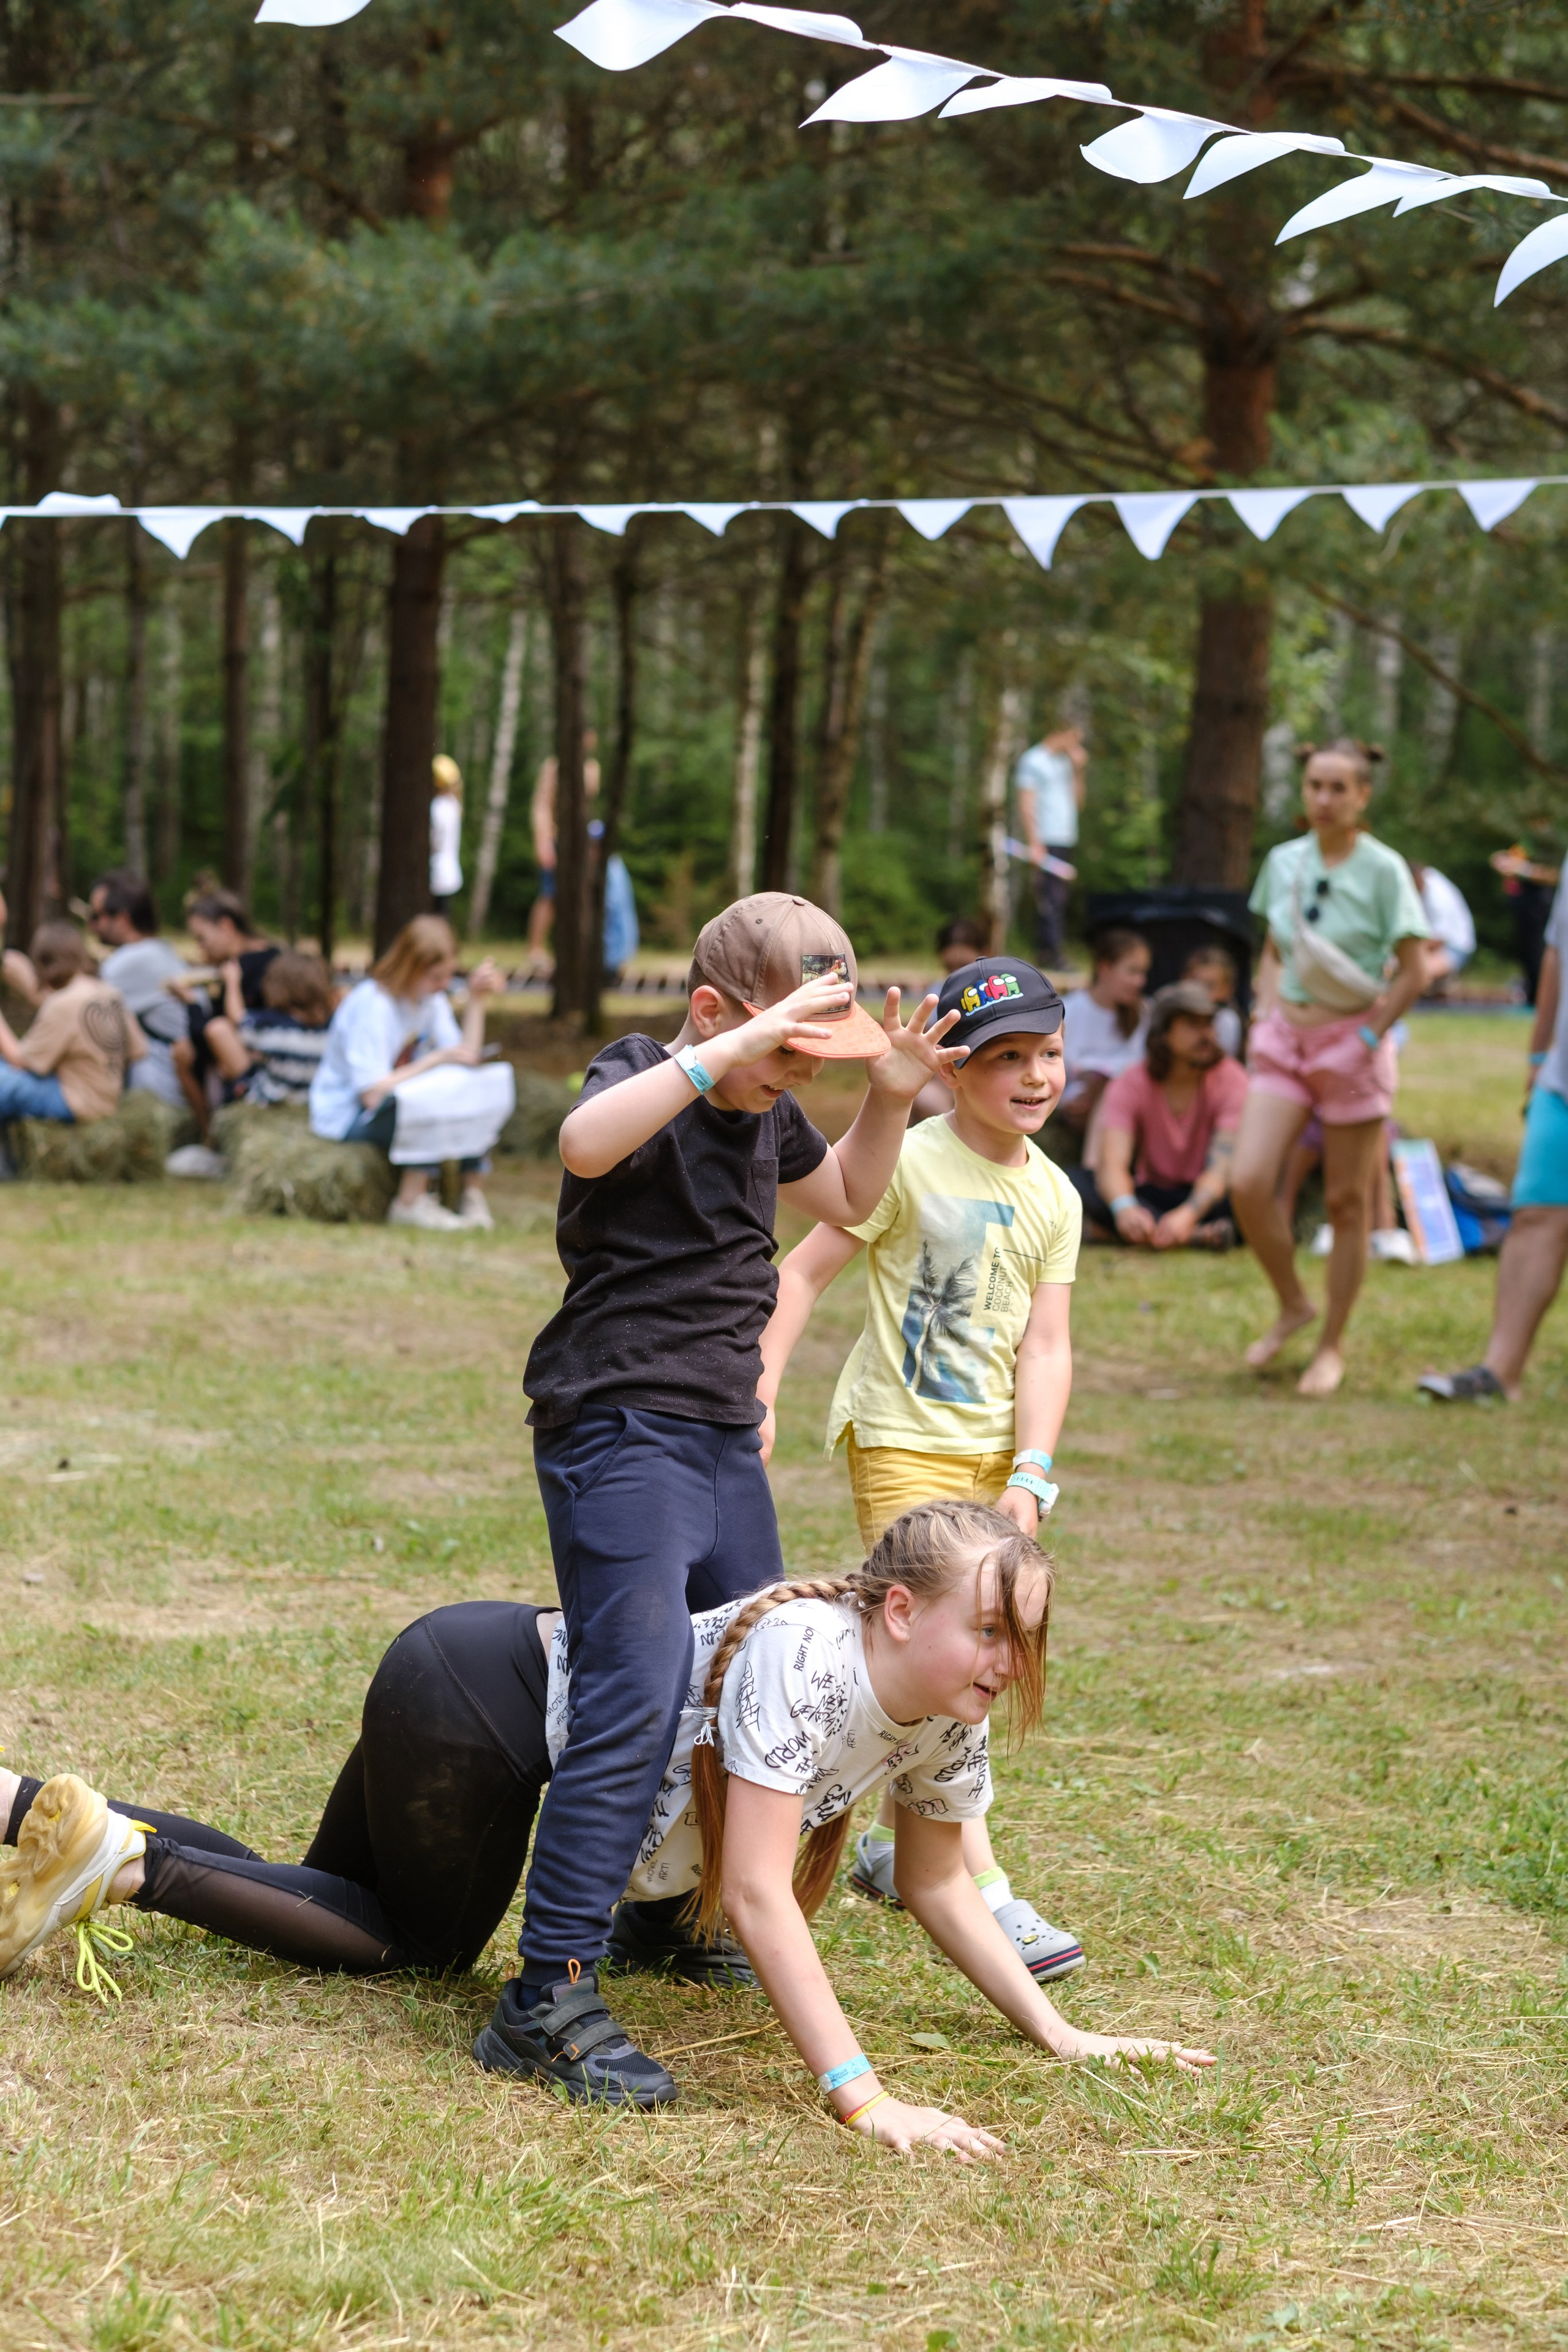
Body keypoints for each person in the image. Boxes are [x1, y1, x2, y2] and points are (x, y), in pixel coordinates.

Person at [0, 1501, 1213, 2141]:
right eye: (992, 1630)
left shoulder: (948, 1706)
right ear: (898, 1610)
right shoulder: (812, 1657)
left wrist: (1058, 2033)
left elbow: (944, 1885)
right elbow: (750, 1893)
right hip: (476, 1699)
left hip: (461, 1676)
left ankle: (26, 1813)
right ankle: (124, 1866)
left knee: (321, 1901)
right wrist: (862, 2093)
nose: (1010, 1660)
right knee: (406, 1951)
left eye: (1026, 1638)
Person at [510, 891, 965, 2089]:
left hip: (715, 1435)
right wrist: (722, 1054)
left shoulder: (772, 1113)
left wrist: (888, 1091)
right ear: (716, 1014)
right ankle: (542, 1994)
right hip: (617, 1424)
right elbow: (582, 1144)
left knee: (751, 1670)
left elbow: (851, 1203)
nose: (790, 1081)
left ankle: (663, 1916)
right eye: (784, 1050)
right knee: (640, 1681)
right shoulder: (647, 1073)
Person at [758, 957, 1084, 1985]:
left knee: (977, 1657)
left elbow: (1047, 1346)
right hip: (899, 1437)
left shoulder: (1057, 1196)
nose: (1034, 1077)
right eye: (1005, 1059)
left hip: (993, 1456)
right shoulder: (906, 1160)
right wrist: (757, 1388)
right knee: (949, 1646)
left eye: (1049, 1055)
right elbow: (802, 1272)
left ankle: (910, 1853)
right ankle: (983, 1895)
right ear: (951, 1067)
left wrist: (1031, 1471)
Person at [1231, 739, 1430, 1398]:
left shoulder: (1383, 870)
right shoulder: (1282, 862)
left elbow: (1415, 968)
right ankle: (1292, 1301)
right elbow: (1273, 950)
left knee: (1348, 1202)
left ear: (1361, 796)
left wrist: (1369, 1037)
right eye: (1314, 785)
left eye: (1337, 788)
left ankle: (1331, 1345)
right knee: (1249, 1181)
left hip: (1353, 1045)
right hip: (1285, 1040)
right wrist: (1263, 1012)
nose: (1322, 799)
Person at [1418, 883, 1568, 1401]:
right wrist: (1538, 1055)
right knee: (1535, 1215)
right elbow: (1557, 952)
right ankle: (1500, 1372)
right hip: (1562, 1080)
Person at [309, 916, 504, 1232]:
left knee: (479, 1087)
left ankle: (471, 1194)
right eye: (435, 977)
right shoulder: (374, 1007)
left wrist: (476, 1000)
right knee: (430, 1100)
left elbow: (464, 1057)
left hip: (394, 1102)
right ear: (410, 967)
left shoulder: (429, 999)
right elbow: (372, 1094)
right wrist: (436, 1061)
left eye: (448, 976)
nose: (444, 985)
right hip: (349, 1117)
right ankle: (410, 1202)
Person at [1069, 982, 1246, 1249]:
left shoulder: (1233, 1079)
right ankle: (1193, 1236)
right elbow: (1112, 1162)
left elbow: (1221, 1169)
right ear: (1163, 1033)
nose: (1206, 1034)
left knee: (1248, 1195)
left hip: (1206, 1198)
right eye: (1192, 1024)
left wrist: (1188, 1215)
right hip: (1149, 1194)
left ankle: (1155, 1231)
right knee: (1073, 1184)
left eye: (1209, 1023)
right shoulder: (1131, 1081)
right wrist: (1126, 1210)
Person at [0, 921, 143, 1128]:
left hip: (78, 1102)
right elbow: (138, 1050)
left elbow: (22, 1061)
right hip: (109, 1098)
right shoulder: (109, 993)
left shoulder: (64, 1003)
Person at [172, 891, 279, 1135]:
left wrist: (190, 1003)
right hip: (257, 1052)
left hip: (265, 1060)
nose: (201, 948)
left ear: (226, 926)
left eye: (202, 938)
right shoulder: (263, 958)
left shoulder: (244, 969)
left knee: (207, 1038)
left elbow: (214, 1031)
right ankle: (209, 1133)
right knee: (184, 1051)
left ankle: (218, 1134)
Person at [83, 873, 189, 1110]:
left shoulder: (131, 961)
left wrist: (28, 985)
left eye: (95, 916)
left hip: (161, 1095)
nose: (90, 925)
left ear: (122, 920)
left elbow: (76, 1014)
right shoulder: (159, 951)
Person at [203, 950, 336, 1107]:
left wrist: (233, 982)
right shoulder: (330, 1030)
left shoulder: (273, 1028)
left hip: (272, 1100)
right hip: (308, 1102)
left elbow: (238, 1019)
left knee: (220, 1031)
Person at [1058, 927, 1151, 1146]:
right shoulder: (1069, 1010)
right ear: (1105, 968)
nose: (1140, 981)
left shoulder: (1143, 1013)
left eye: (1144, 973)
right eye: (1132, 972)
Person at [1014, 723, 1086, 969]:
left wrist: (1078, 771)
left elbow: (1078, 803)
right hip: (1044, 839)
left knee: (1059, 897)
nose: (1076, 746)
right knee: (1049, 897)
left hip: (1065, 837)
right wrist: (1034, 842)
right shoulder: (1033, 760)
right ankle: (1052, 953)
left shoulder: (1065, 763)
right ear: (1061, 732)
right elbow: (1026, 802)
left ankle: (1047, 952)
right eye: (1074, 738)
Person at [527, 731, 601, 969]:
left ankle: (575, 950)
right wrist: (544, 841)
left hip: (580, 841)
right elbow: (541, 806)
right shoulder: (553, 767)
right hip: (555, 838)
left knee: (581, 896)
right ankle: (536, 949)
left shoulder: (592, 769)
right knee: (550, 896)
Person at [1491, 845, 1560, 1006]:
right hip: (1523, 907)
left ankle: (1540, 998)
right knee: (1526, 952)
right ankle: (1532, 993)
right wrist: (1502, 862)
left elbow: (1554, 874)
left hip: (1536, 906)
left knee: (1537, 951)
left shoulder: (1548, 842)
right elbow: (1496, 857)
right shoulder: (1526, 841)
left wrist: (1522, 870)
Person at [1410, 862, 1476, 995]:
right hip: (1440, 945)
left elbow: (1440, 939)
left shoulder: (1438, 895)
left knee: (1415, 972)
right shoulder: (1426, 883)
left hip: (1456, 947)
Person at [1180, 943, 1243, 1059]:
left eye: (1210, 986)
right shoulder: (1171, 1016)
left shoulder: (1226, 1020)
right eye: (1195, 984)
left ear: (1227, 990)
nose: (1201, 993)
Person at [429, 755, 464, 918]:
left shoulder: (436, 807)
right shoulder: (453, 804)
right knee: (443, 917)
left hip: (435, 872)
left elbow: (434, 842)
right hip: (449, 872)